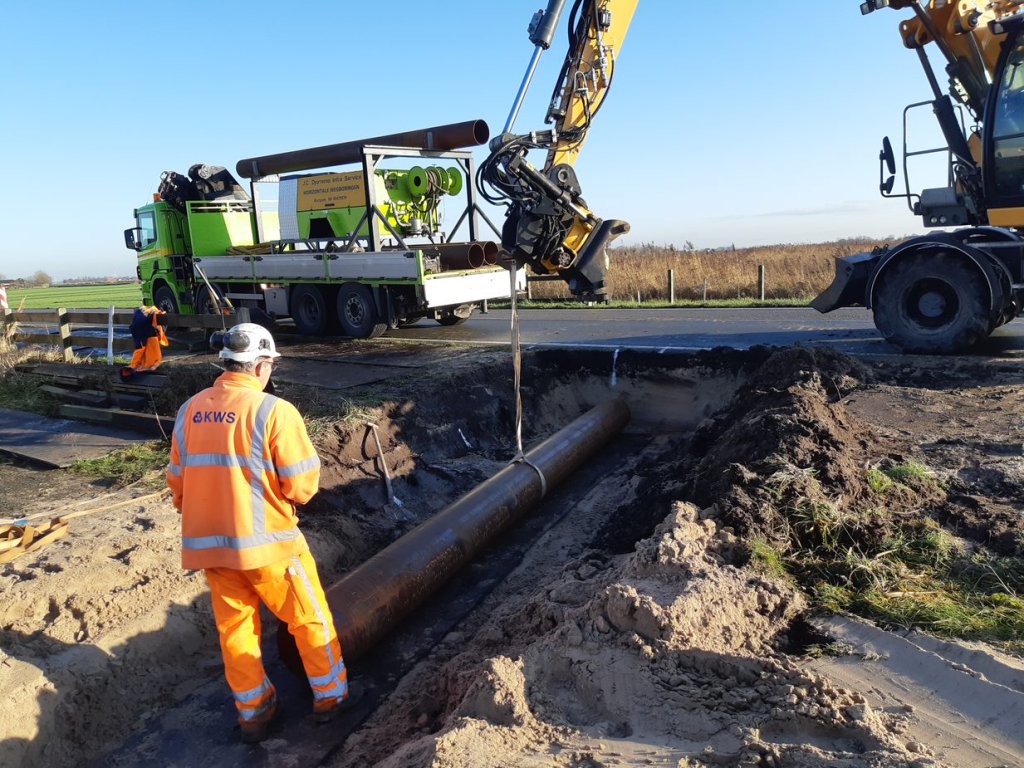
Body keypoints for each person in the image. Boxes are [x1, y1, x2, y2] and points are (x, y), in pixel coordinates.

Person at [166, 323, 349, 743]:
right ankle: (331, 698)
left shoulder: (189, 409)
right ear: (261, 365)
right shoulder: (273, 411)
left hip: (211, 547)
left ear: (226, 363)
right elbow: (302, 486)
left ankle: (254, 713)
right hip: (269, 547)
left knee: (236, 630)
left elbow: (177, 480)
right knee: (308, 619)